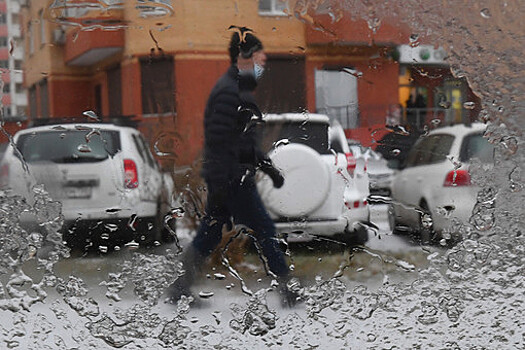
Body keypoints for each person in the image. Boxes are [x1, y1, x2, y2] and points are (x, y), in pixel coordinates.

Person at [167, 29, 299, 307]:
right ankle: (287, 290)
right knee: (264, 230)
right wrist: (236, 176)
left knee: (210, 233)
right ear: (243, 58)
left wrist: (266, 167)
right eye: (260, 61)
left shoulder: (232, 91)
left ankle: (180, 287)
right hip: (233, 179)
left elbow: (239, 141)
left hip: (226, 177)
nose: (263, 67)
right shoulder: (231, 94)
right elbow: (223, 141)